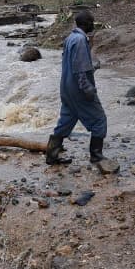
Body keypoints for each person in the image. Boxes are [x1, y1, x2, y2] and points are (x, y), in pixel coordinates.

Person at [46, 11, 108, 165]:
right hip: (78, 89)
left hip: (66, 88)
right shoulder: (80, 40)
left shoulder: (70, 38)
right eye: (92, 22)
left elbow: (70, 63)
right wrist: (88, 91)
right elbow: (80, 71)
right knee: (99, 120)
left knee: (67, 120)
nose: (93, 25)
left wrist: (92, 67)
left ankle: (51, 155)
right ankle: (96, 155)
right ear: (86, 23)